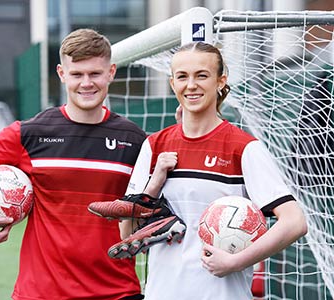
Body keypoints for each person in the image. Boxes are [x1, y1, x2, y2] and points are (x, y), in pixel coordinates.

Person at [89, 42, 308, 299]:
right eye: (182, 76)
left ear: (220, 81)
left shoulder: (244, 148)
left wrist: (236, 262)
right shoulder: (154, 146)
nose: (191, 85)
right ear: (173, 84)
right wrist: (152, 187)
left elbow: (295, 222)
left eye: (201, 75)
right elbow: (127, 234)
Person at [0, 28, 146, 300]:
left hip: (117, 292)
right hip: (42, 293)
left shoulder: (133, 139)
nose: (86, 82)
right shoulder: (30, 133)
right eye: (77, 74)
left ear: (111, 72)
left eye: (95, 73)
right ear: (62, 74)